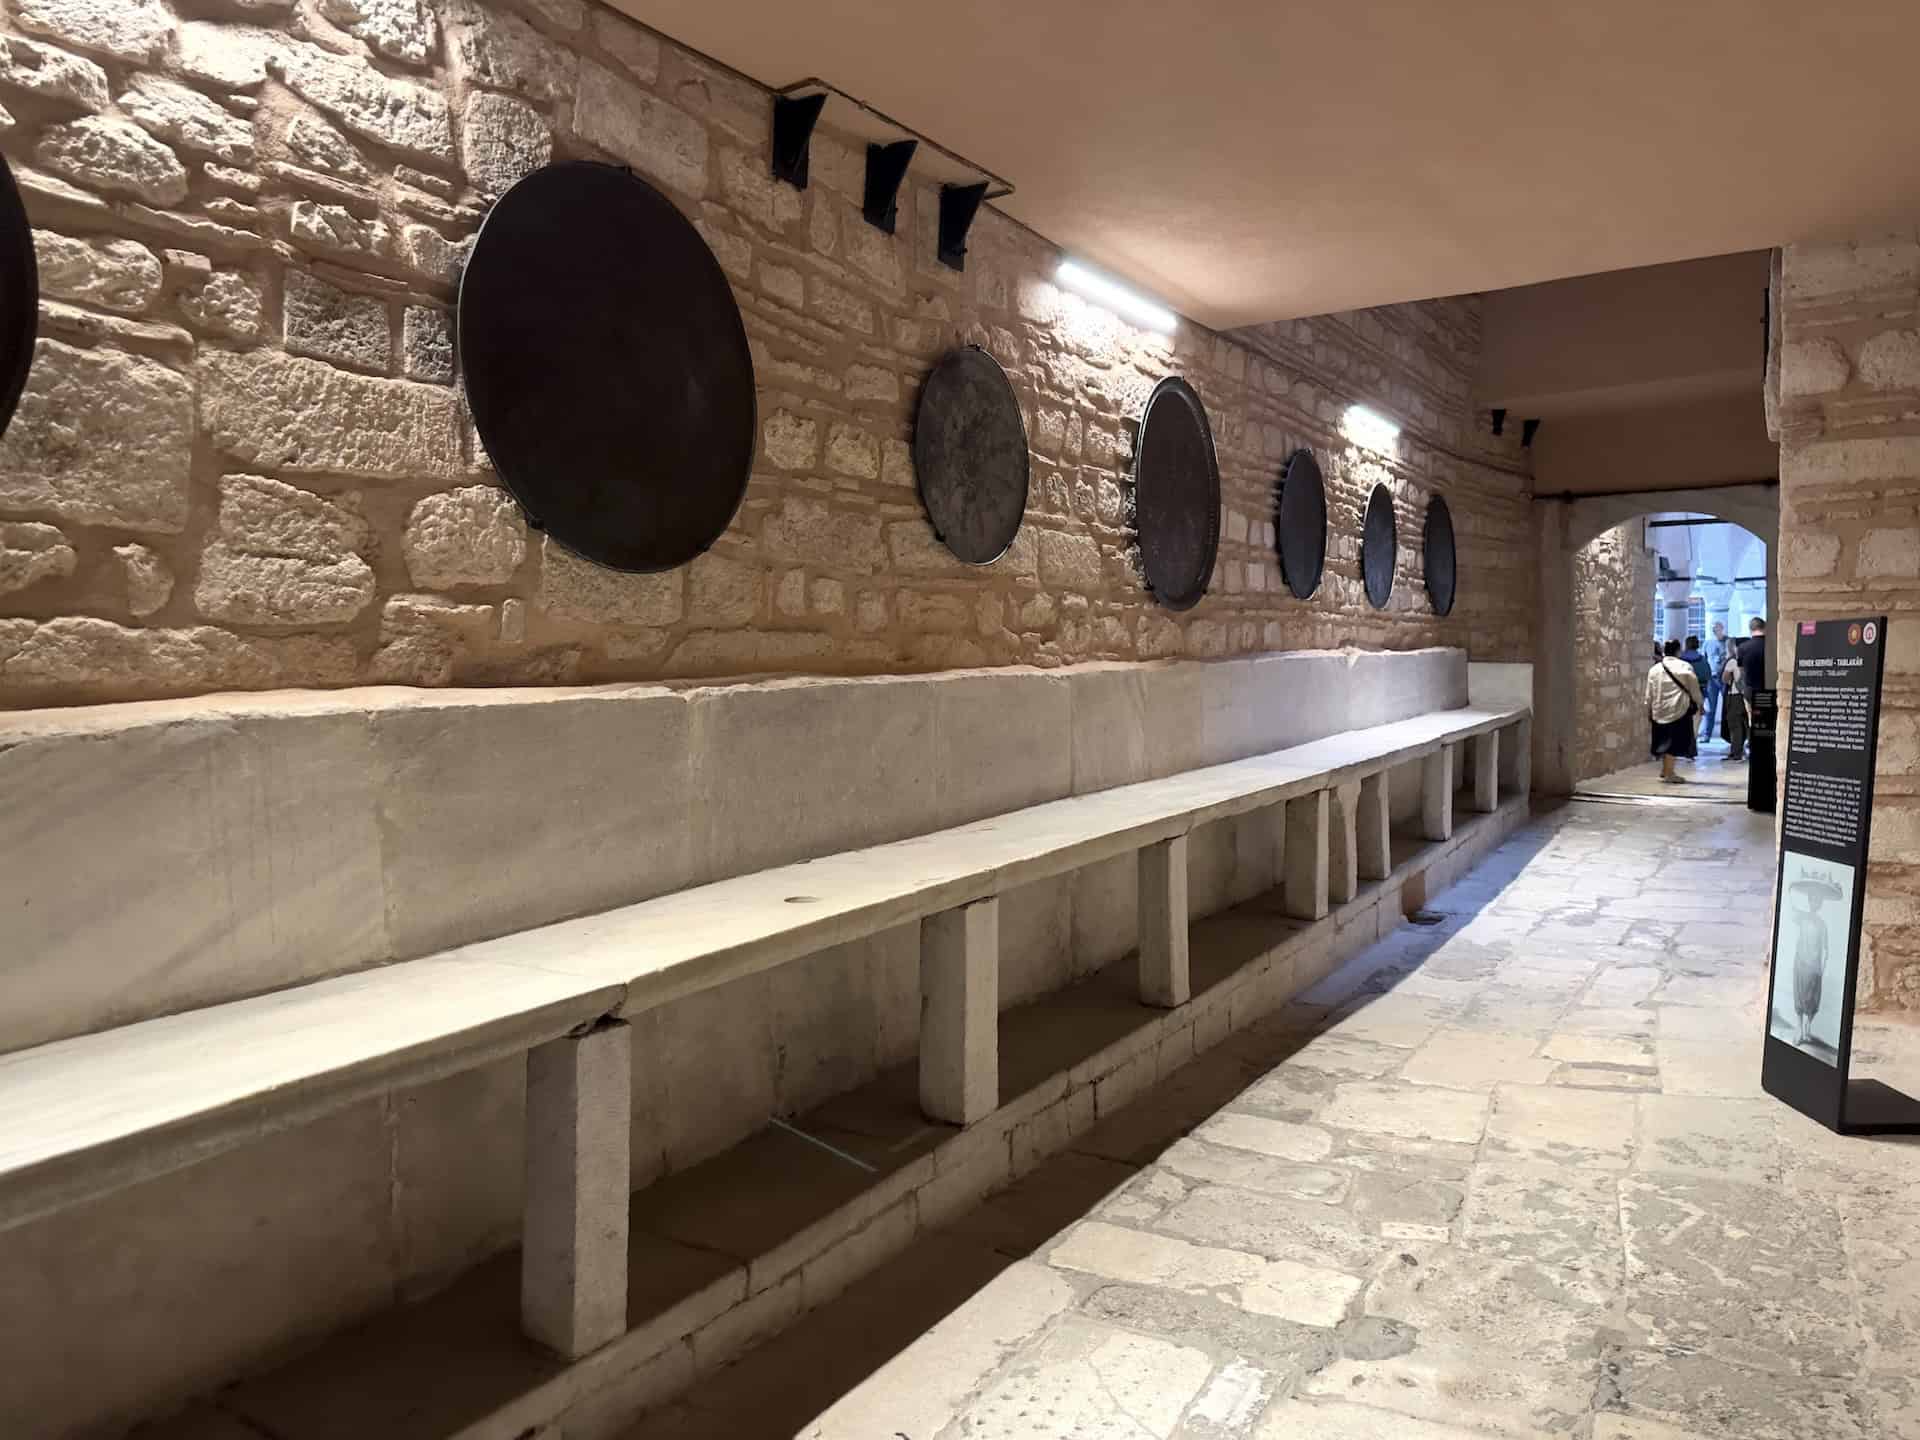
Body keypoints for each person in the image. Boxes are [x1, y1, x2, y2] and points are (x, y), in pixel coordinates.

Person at [1647, 638, 1703, 783]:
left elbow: (1649, 693)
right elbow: (1694, 689)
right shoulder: (1685, 667)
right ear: (1679, 650)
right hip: (1679, 709)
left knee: (1663, 741)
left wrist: (1649, 709)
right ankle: (1669, 772)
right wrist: (1700, 703)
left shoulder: (1655, 669)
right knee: (1674, 743)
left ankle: (1665, 770)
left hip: (1659, 710)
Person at [1700, 621, 1728, 742]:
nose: (1714, 630)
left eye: (1716, 628)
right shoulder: (1707, 643)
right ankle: (1707, 735)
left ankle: (1728, 735)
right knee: (1710, 708)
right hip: (1712, 679)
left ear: (1722, 628)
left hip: (1725, 678)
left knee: (1728, 707)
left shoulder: (1728, 642)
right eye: (1713, 628)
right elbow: (1704, 660)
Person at [1721, 640, 1747, 761]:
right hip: (1749, 695)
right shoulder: (1751, 659)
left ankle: (1736, 753)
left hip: (1735, 695)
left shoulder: (1733, 661)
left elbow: (1724, 678)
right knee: (1746, 724)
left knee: (1735, 725)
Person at [1737, 617, 1768, 695]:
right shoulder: (1772, 646)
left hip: (1750, 689)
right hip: (1769, 688)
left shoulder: (1742, 647)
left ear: (1750, 629)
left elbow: (1741, 670)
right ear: (1764, 627)